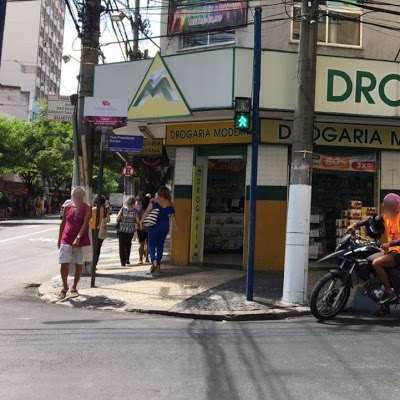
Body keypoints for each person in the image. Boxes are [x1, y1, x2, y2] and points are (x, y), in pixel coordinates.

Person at [348, 193, 400, 304]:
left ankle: (389, 291)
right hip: (391, 251)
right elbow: (370, 220)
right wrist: (356, 225)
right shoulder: (386, 216)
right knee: (370, 259)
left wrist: (389, 244)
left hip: (397, 252)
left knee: (377, 263)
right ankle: (381, 296)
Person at [57, 187, 91, 299]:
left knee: (78, 264)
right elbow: (63, 223)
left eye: (79, 196)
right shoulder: (68, 207)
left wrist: (78, 237)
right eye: (75, 196)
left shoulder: (87, 208)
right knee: (64, 263)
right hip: (66, 238)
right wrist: (59, 239)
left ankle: (74, 287)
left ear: (82, 197)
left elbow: (85, 224)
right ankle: (64, 287)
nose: (77, 198)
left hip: (80, 240)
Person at [142, 187, 176, 273]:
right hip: (165, 227)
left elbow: (147, 212)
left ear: (159, 193)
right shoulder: (170, 203)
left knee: (151, 244)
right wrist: (175, 227)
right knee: (160, 245)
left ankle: (154, 260)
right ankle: (158, 264)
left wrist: (141, 221)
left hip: (154, 226)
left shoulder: (154, 201)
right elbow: (172, 218)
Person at [90, 194, 110, 267]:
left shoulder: (93, 209)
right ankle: (95, 263)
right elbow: (108, 220)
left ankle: (92, 263)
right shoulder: (105, 210)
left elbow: (89, 220)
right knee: (98, 248)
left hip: (93, 230)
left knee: (93, 248)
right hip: (101, 231)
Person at [117, 196, 137, 266]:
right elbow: (137, 220)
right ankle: (127, 259)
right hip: (130, 230)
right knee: (128, 244)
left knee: (121, 246)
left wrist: (122, 219)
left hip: (122, 229)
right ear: (133, 203)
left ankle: (122, 262)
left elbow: (118, 218)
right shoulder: (135, 211)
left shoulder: (123, 209)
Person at [135, 195, 151, 264]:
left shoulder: (140, 210)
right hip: (149, 229)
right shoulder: (151, 210)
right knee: (148, 244)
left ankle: (140, 259)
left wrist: (139, 225)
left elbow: (137, 220)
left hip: (141, 229)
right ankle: (147, 259)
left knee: (141, 244)